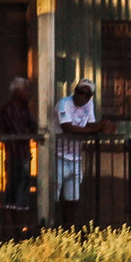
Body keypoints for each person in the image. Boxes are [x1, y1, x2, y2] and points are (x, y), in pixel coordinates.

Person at [55, 81, 100, 211]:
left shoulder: (89, 104)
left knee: (73, 196)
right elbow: (67, 127)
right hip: (58, 155)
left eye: (87, 94)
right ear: (75, 91)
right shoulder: (64, 104)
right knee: (55, 191)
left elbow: (91, 124)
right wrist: (96, 129)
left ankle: (69, 227)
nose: (83, 96)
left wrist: (101, 126)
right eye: (80, 92)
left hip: (76, 156)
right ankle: (52, 225)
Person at [0, 76, 36, 208]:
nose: (28, 93)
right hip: (14, 154)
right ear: (17, 91)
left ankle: (19, 223)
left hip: (24, 153)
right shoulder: (8, 109)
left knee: (23, 189)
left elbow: (33, 126)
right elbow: (20, 132)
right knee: (13, 191)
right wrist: (30, 131)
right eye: (25, 90)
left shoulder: (24, 109)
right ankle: (12, 225)